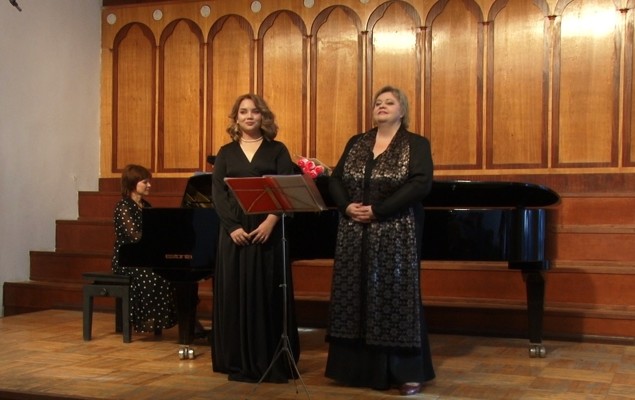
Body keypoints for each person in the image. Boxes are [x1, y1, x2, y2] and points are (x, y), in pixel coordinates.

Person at [325, 86, 436, 396]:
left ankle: (406, 372)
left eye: (389, 102)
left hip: (396, 229)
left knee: (396, 296)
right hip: (354, 231)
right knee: (354, 294)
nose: (382, 106)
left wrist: (378, 210)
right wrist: (346, 206)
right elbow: (335, 179)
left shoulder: (416, 144)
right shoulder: (357, 142)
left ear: (402, 111)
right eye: (378, 103)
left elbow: (420, 184)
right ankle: (356, 371)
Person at [211, 93, 300, 383]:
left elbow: (286, 189)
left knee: (267, 293)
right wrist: (232, 227)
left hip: (268, 230)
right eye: (243, 112)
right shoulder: (225, 153)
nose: (249, 116)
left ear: (263, 116)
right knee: (235, 292)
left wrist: (271, 221)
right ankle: (236, 359)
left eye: (255, 111)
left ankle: (269, 357)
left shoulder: (278, 150)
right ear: (236, 118)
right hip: (234, 233)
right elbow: (218, 194)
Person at [111, 164, 178, 334]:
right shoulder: (123, 206)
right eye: (145, 182)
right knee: (154, 274)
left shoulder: (146, 206)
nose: (149, 185)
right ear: (132, 183)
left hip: (143, 256)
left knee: (171, 272)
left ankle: (163, 319)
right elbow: (134, 236)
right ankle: (146, 319)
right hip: (127, 259)